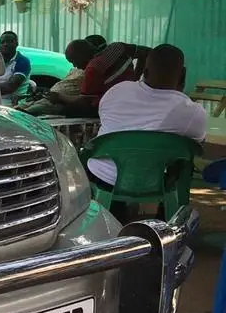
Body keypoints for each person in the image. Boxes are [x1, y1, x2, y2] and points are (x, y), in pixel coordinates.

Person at [88, 43, 206, 221]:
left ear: (144, 70)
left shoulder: (117, 91)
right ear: (183, 74)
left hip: (102, 177)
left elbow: (106, 121)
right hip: (154, 184)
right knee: (183, 159)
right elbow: (198, 143)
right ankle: (166, 216)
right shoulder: (192, 111)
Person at [18, 39, 96, 116]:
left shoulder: (92, 70)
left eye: (74, 61)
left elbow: (85, 100)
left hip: (59, 102)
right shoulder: (80, 68)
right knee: (18, 109)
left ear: (82, 55)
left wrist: (59, 97)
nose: (74, 65)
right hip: (50, 98)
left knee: (26, 112)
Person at [0, 31, 31, 105]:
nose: (5, 44)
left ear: (16, 44)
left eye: (9, 42)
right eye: (2, 42)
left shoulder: (22, 61)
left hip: (11, 103)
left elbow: (10, 87)